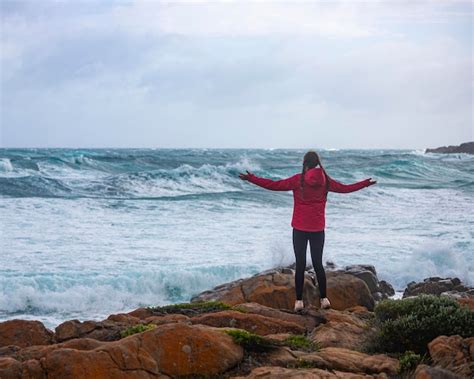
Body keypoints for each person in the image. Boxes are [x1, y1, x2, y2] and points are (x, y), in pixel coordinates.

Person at [239, 150, 376, 311]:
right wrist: (364, 183)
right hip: (318, 229)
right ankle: (324, 299)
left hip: (299, 229)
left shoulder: (299, 180)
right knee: (318, 264)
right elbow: (345, 189)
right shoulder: (326, 181)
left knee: (300, 265)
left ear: (305, 163)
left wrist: (252, 179)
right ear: (317, 163)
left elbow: (274, 185)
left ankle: (298, 302)